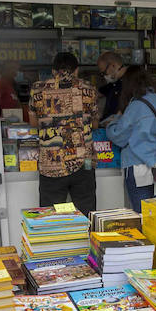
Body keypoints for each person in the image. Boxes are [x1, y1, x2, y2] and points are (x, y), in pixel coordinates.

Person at [29, 51, 99, 215]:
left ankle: (57, 240)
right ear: (76, 70)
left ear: (53, 71)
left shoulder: (38, 89)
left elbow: (33, 123)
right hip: (84, 162)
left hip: (51, 164)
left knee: (52, 215)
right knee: (85, 212)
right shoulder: (88, 88)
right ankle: (86, 239)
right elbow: (95, 123)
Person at [104, 65, 156, 212]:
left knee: (140, 212)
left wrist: (114, 121)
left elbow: (119, 136)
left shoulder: (135, 106)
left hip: (138, 166)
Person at [97, 51, 128, 118]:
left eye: (104, 72)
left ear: (113, 65)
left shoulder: (131, 83)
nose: (104, 76)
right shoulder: (114, 83)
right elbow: (98, 93)